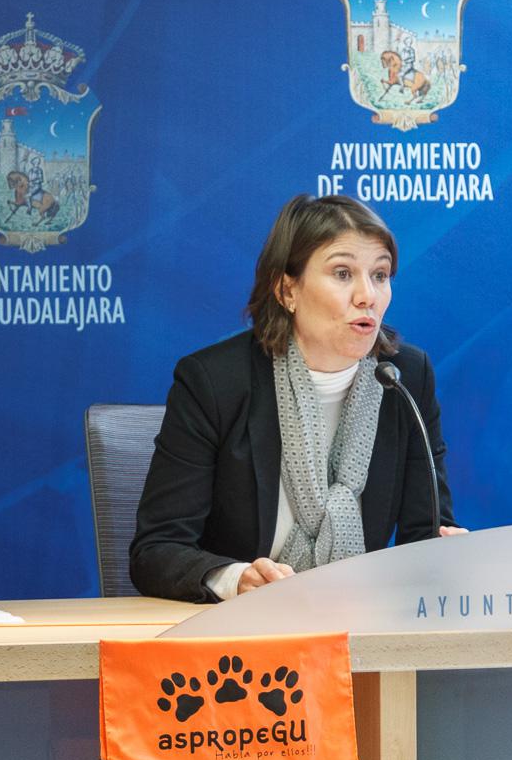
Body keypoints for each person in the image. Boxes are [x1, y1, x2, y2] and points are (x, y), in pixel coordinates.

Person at [129, 194, 462, 602]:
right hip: (245, 626)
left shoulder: (404, 379)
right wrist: (236, 579)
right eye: (343, 273)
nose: (367, 296)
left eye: (380, 275)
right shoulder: (215, 382)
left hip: (361, 620)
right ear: (287, 290)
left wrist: (444, 555)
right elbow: (156, 551)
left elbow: (425, 534)